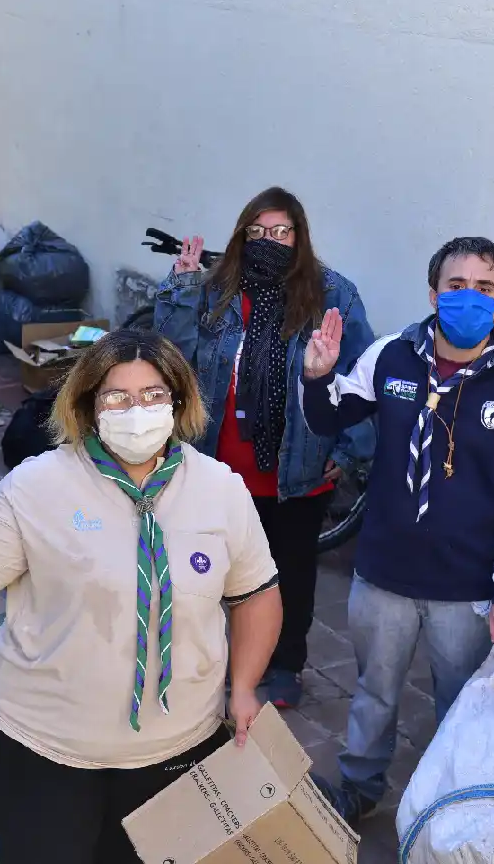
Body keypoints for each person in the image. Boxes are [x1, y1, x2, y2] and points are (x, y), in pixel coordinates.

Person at [0, 329, 282, 864]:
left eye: (154, 395)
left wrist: (246, 686)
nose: (137, 411)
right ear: (88, 405)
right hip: (42, 753)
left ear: (179, 403)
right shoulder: (37, 485)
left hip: (175, 754)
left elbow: (256, 595)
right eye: (117, 397)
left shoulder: (220, 489)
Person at [300, 236, 494, 824]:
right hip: (384, 573)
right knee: (373, 692)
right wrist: (317, 377)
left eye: (485, 288)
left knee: (461, 707)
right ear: (434, 292)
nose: (469, 297)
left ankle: (447, 811)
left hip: (467, 588)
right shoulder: (392, 356)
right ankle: (359, 788)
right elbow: (329, 417)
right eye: (456, 285)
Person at [154, 187, 376, 709]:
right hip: (218, 461)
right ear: (240, 237)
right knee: (208, 567)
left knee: (289, 572)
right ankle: (210, 659)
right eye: (256, 233)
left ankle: (283, 667)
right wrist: (182, 288)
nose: (268, 242)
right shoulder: (216, 289)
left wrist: (347, 454)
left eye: (280, 232)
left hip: (296, 468)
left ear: (299, 237)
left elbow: (361, 376)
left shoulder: (332, 295)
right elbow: (171, 356)